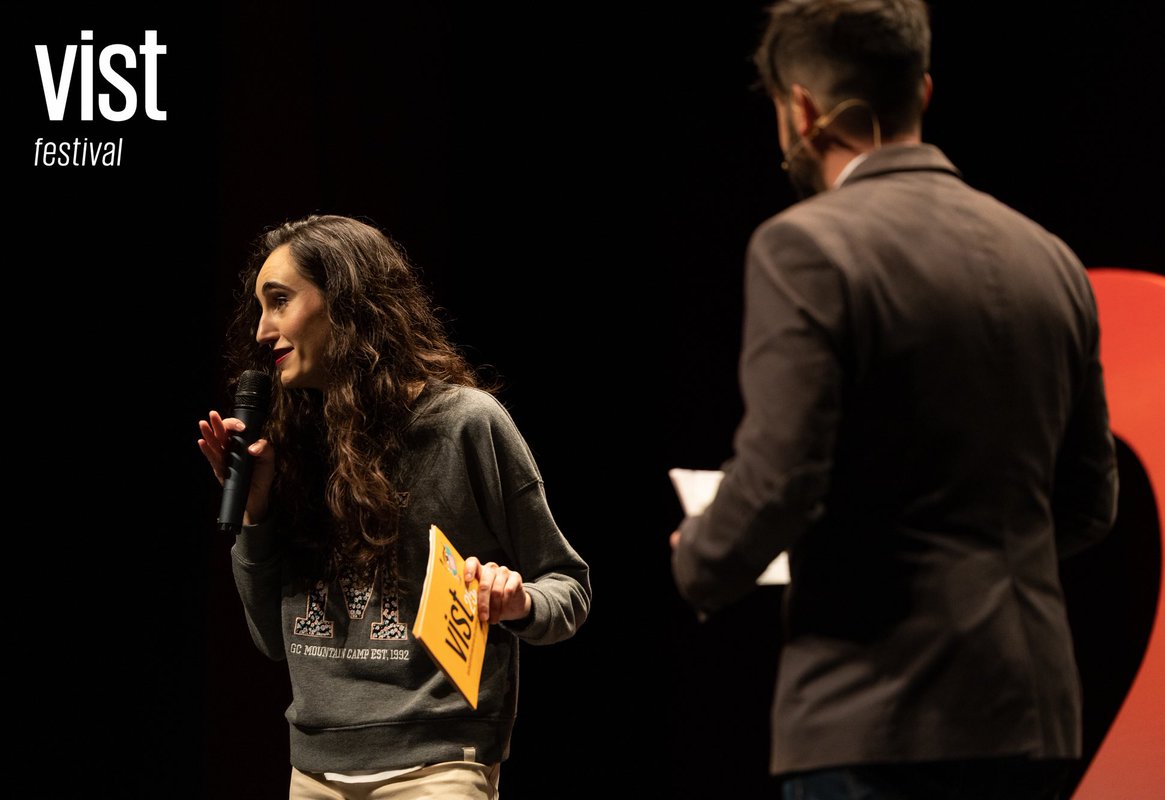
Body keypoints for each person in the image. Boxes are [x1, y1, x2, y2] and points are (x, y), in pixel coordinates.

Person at [670, 2, 1118, 798]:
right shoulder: (1051, 259)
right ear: (924, 91)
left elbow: (780, 481)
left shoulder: (805, 245)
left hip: (875, 710)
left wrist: (702, 555)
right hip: (1035, 712)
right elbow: (1086, 503)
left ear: (801, 111)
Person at [198, 214, 590, 799]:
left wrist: (518, 601)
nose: (262, 330)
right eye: (259, 308)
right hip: (313, 769)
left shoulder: (465, 424)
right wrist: (255, 514)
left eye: (279, 301)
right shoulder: (291, 442)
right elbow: (271, 640)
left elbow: (569, 587)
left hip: (436, 765)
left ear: (347, 302)